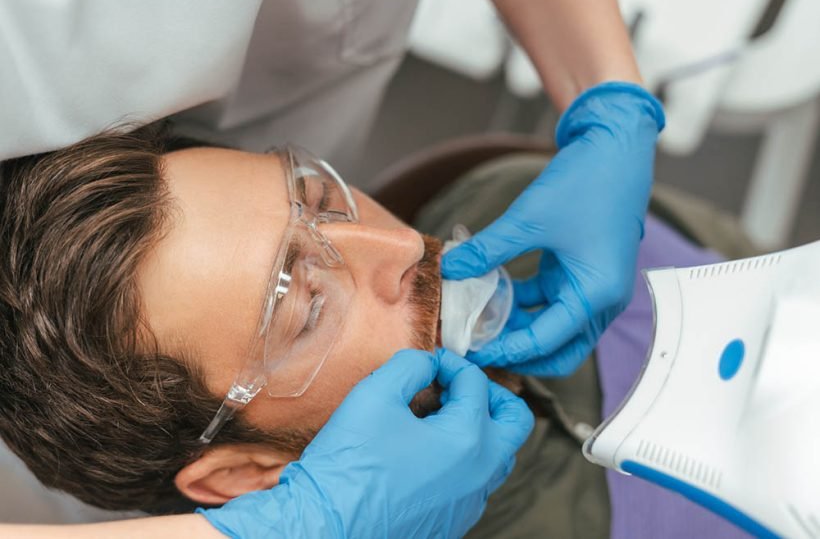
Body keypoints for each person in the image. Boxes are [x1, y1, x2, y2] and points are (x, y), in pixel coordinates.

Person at [0, 127, 757, 537]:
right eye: (305, 305)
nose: (398, 247)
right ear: (246, 476)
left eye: (325, 199)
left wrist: (608, 94)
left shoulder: (514, 205)